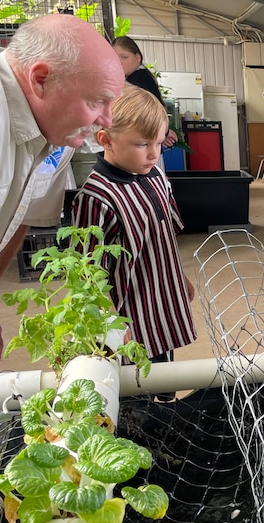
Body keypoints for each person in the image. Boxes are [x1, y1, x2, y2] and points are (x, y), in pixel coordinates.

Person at [0, 14, 124, 403]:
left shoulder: (60, 134)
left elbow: (19, 215)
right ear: (41, 79)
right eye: (97, 101)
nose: (106, 121)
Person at [72, 84, 196, 393]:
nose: (154, 153)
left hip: (162, 305)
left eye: (158, 143)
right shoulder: (97, 196)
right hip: (127, 316)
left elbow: (165, 233)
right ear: (106, 139)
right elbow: (86, 272)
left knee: (166, 379)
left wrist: (180, 276)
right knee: (132, 388)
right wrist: (111, 322)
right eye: (142, 144)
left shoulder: (155, 177)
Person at [111, 36, 178, 149]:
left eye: (124, 57)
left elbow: (149, 112)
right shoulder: (137, 77)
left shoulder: (139, 79)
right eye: (115, 57)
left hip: (144, 145)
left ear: (137, 57)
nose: (119, 62)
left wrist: (164, 132)